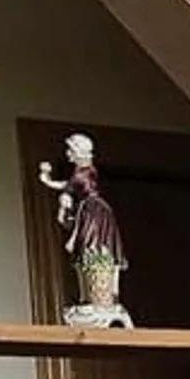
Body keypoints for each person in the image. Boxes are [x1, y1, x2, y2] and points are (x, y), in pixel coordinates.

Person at [35, 130, 129, 324]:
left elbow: (69, 188)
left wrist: (49, 182)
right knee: (88, 248)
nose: (68, 153)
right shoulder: (84, 170)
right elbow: (70, 186)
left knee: (92, 245)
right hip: (92, 210)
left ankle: (101, 298)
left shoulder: (82, 172)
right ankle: (94, 296)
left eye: (70, 149)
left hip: (93, 212)